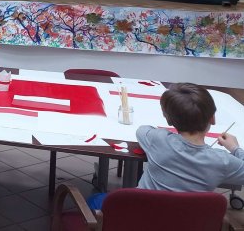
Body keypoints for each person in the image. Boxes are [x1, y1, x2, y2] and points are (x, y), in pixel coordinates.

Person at [88, 82, 244, 209]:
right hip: (186, 222)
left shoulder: (159, 139)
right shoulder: (223, 161)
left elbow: (142, 130)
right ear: (212, 119)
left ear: (169, 120)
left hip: (139, 215)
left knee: (94, 199)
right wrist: (235, 148)